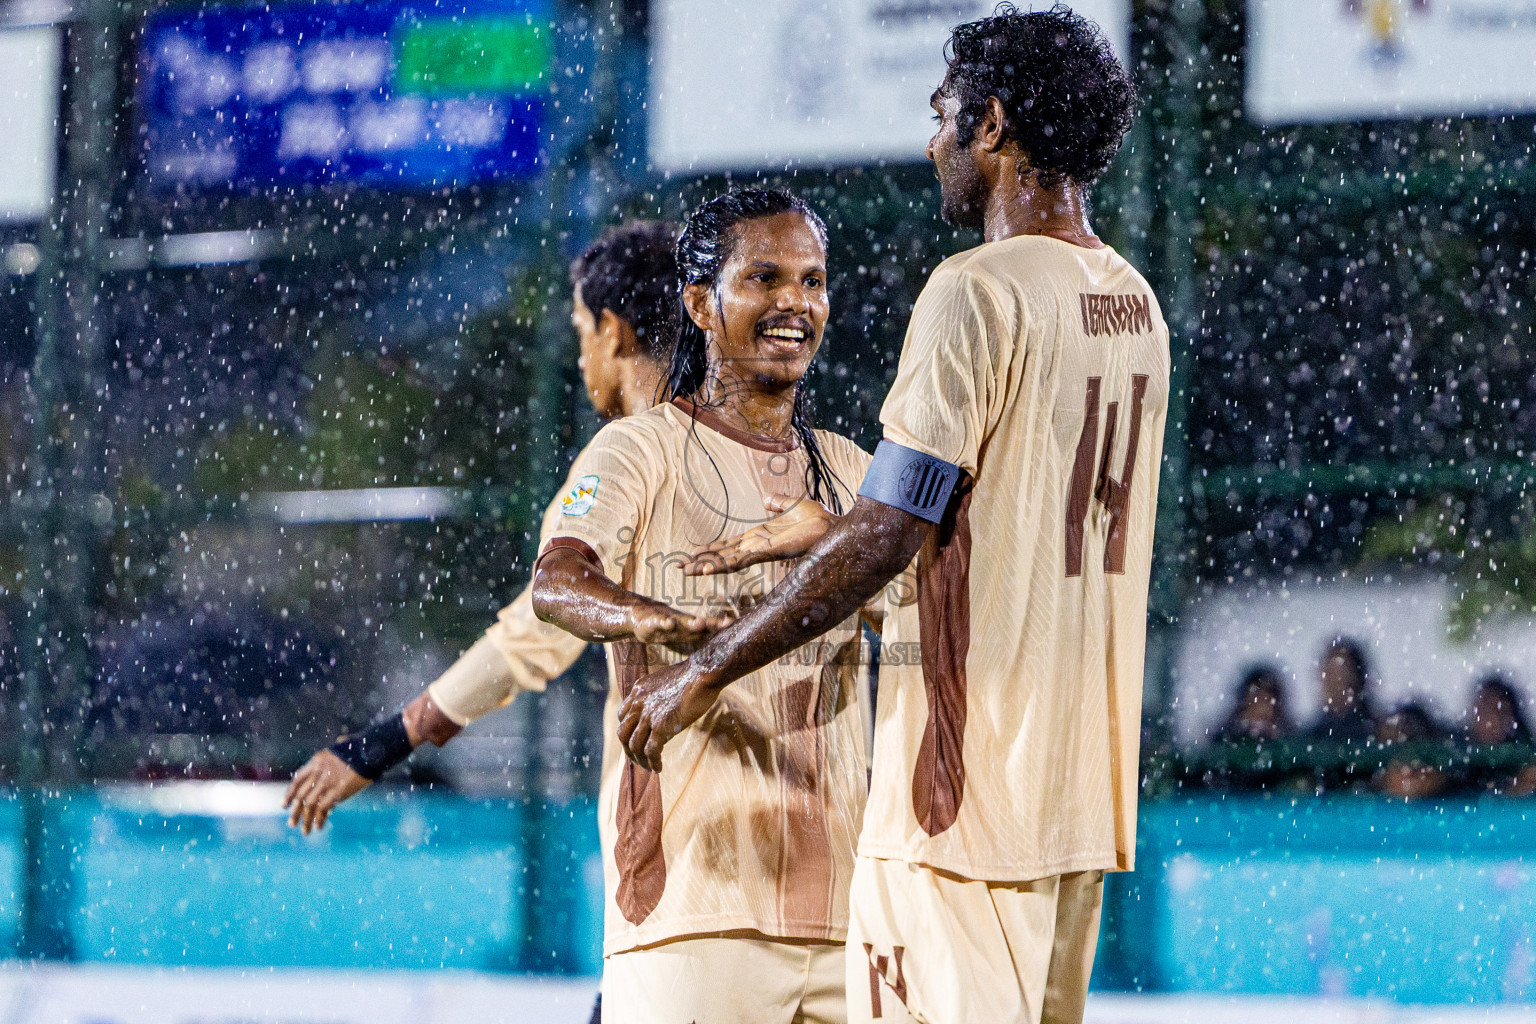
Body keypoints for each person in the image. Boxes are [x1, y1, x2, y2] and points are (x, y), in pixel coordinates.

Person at [619, 8, 1158, 1023]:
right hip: (1080, 794)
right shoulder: (1131, 298)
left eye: (943, 112)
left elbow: (890, 536)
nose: (932, 142)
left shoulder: (977, 291)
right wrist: (836, 525)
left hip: (961, 800)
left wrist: (704, 668)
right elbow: (1015, 528)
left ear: (991, 124)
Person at [530, 188, 880, 1024]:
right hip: (693, 915)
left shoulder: (849, 468)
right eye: (763, 277)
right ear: (698, 302)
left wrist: (833, 541)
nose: (794, 302)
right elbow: (557, 583)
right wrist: (647, 618)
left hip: (847, 916)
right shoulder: (636, 448)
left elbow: (926, 609)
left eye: (812, 280)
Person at [281, 219, 679, 829]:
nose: (580, 359)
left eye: (582, 333)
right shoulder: (800, 456)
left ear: (615, 332)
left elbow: (539, 629)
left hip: (683, 866)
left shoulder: (624, 458)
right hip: (827, 866)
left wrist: (384, 742)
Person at [1302, 637, 1378, 744]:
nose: (1333, 681)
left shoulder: (1375, 731)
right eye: (1329, 672)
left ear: (1357, 678)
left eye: (1341, 673)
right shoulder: (1311, 735)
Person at [1213, 666, 1291, 744]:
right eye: (1255, 701)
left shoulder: (1290, 741)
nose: (1260, 708)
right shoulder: (1223, 740)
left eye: (1266, 701)